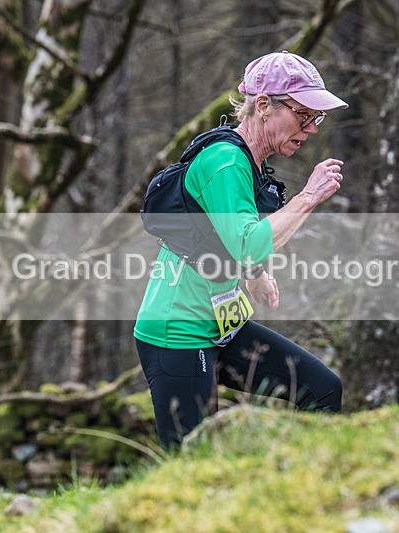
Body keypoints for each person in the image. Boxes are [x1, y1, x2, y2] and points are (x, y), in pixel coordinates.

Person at [134, 51, 347, 450]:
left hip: (223, 328)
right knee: (190, 458)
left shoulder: (249, 163)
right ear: (263, 106)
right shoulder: (226, 161)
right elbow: (248, 244)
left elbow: (220, 234)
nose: (312, 128)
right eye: (304, 114)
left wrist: (254, 274)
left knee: (323, 390)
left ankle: (308, 491)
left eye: (317, 117)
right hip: (178, 333)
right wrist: (308, 197)